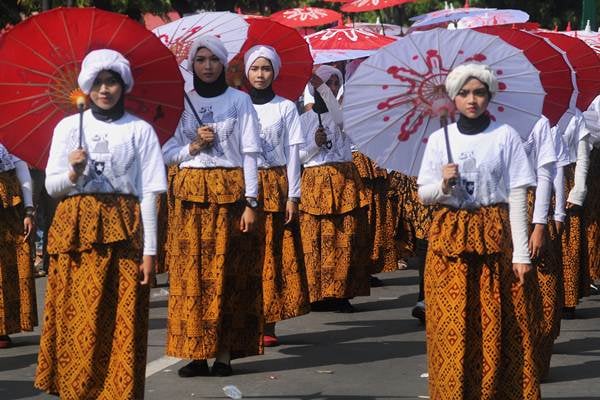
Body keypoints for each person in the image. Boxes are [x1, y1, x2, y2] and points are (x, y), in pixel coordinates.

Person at [34, 49, 167, 399]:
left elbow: (150, 192)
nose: (104, 90)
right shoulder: (67, 127)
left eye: (111, 82)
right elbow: (52, 188)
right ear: (87, 87)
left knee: (122, 320)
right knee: (76, 318)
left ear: (123, 86)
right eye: (97, 82)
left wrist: (150, 251)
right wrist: (73, 171)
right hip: (75, 232)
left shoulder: (140, 129)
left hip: (124, 231)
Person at [418, 63, 542, 399]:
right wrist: (443, 184)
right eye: (464, 93)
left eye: (479, 92)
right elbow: (423, 193)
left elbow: (517, 194)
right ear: (453, 97)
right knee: (450, 326)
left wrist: (520, 254)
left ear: (489, 95)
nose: (472, 99)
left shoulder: (505, 136)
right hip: (449, 241)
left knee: (495, 321)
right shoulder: (439, 139)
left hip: (493, 236)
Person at [162, 35, 263, 377]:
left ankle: (223, 353)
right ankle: (195, 353)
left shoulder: (240, 101)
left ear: (224, 64)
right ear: (192, 66)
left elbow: (250, 153)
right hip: (189, 196)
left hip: (230, 195)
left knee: (227, 274)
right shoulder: (180, 102)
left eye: (213, 60)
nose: (207, 66)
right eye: (200, 60)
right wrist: (191, 147)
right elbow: (165, 153)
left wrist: (251, 202)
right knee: (191, 278)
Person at [244, 45, 310, 347]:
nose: (260, 74)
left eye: (266, 68)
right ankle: (244, 320)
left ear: (274, 72)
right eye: (255, 68)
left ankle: (268, 322)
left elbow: (294, 154)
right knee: (245, 255)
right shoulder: (237, 104)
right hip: (242, 187)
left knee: (271, 255)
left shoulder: (285, 107)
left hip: (274, 183)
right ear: (247, 71)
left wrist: (293, 196)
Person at [299, 65, 370, 313]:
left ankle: (340, 293)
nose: (329, 88)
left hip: (343, 180)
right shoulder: (303, 120)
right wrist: (314, 145)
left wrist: (321, 86)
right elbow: (298, 157)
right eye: (324, 83)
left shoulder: (343, 116)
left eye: (334, 83)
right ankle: (317, 293)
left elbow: (337, 116)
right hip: (314, 181)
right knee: (314, 239)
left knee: (344, 238)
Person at [0, 144, 36, 349]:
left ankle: (3, 328)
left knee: (8, 265)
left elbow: (21, 167)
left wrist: (29, 209)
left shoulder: (7, 136)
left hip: (8, 207)